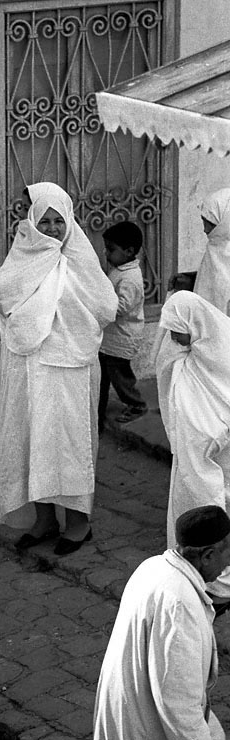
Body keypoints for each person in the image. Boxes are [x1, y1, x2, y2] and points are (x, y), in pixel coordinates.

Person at [0, 183, 118, 555]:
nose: (53, 229)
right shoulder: (24, 253)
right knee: (32, 441)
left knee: (67, 443)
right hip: (28, 367)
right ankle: (43, 520)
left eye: (58, 221)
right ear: (32, 221)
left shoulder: (78, 257)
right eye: (45, 221)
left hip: (69, 369)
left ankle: (78, 524)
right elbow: (0, 292)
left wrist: (64, 308)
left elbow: (105, 306)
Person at [93, 505, 230, 740]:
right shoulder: (180, 605)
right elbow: (179, 704)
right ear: (208, 555)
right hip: (147, 735)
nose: (228, 565)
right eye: (228, 554)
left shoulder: (152, 566)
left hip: (131, 715)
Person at [155, 290, 230, 603]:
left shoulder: (219, 352)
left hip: (206, 456)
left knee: (210, 507)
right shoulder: (191, 358)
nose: (172, 336)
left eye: (177, 328)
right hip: (193, 457)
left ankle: (221, 583)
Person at [98, 220, 147, 429]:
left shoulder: (130, 278)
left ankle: (136, 404)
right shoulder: (120, 269)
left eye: (111, 250)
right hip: (112, 337)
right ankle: (98, 407)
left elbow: (121, 308)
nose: (106, 254)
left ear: (128, 251)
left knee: (120, 377)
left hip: (122, 338)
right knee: (103, 375)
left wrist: (99, 306)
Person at [169, 187, 230, 315]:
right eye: (204, 222)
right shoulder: (215, 247)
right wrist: (193, 278)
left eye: (211, 224)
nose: (205, 230)